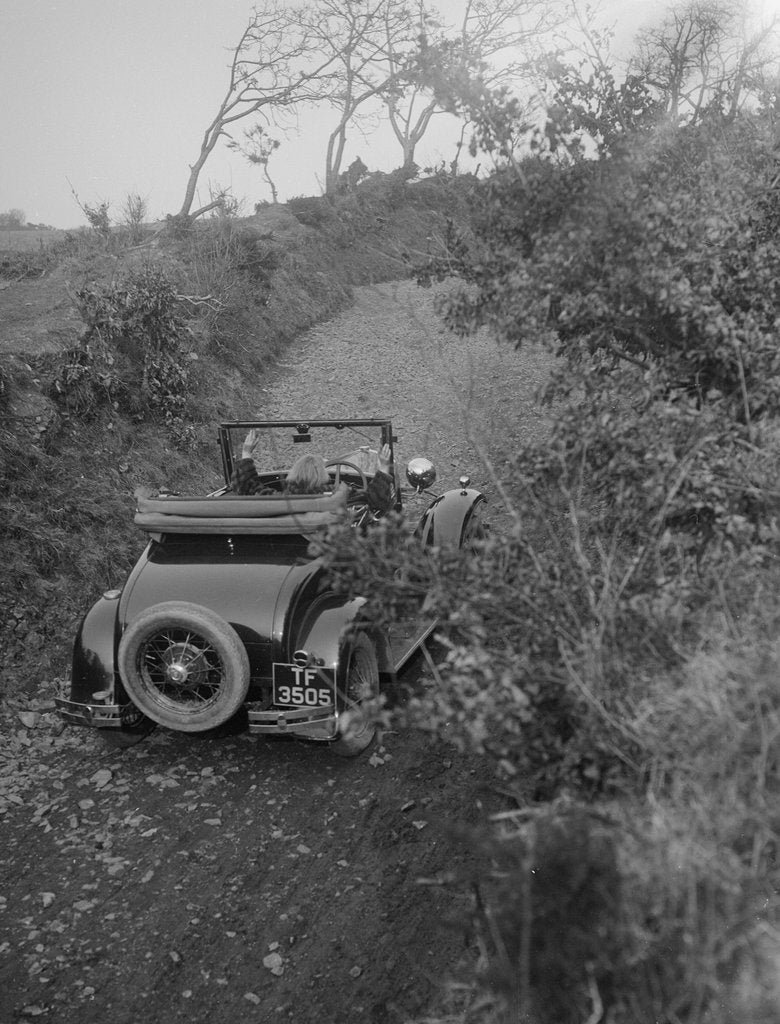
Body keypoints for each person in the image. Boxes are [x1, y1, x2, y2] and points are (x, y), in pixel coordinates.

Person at [231, 429, 394, 511]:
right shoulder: (341, 497)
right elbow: (376, 501)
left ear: (294, 474)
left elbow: (247, 487)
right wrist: (384, 466)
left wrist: (246, 452)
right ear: (322, 476)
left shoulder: (278, 500)